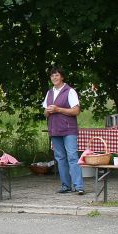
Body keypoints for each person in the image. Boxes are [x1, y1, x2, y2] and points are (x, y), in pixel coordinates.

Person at [42, 67, 84, 195]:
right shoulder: (49, 93)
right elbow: (45, 113)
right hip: (54, 129)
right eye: (52, 76)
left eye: (57, 75)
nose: (54, 78)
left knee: (72, 157)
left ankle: (78, 186)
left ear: (62, 77)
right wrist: (47, 111)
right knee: (60, 158)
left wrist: (58, 109)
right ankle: (66, 185)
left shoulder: (69, 91)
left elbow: (76, 111)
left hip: (68, 129)